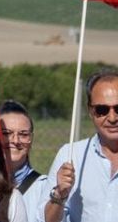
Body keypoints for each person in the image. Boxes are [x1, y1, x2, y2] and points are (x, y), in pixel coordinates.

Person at [43, 69, 118, 222]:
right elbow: (47, 220)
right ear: (90, 111)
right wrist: (60, 194)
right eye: (102, 110)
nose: (112, 117)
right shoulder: (71, 155)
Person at [0, 99, 49, 222]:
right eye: (6, 133)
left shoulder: (44, 188)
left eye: (23, 134)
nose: (15, 140)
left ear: (31, 139)